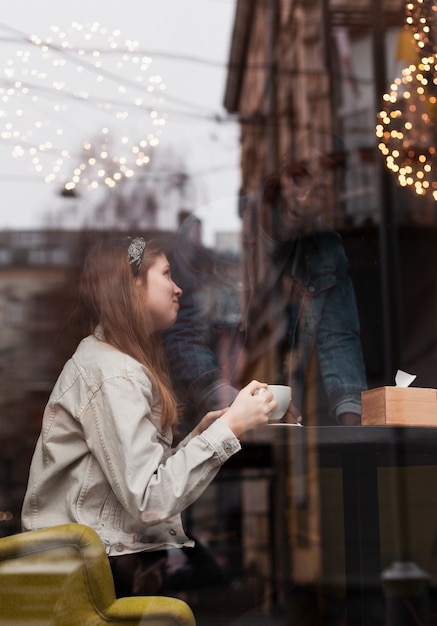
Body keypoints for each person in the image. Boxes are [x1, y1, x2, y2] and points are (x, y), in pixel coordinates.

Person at [21, 235, 278, 598]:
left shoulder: (113, 363)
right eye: (167, 274)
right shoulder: (115, 373)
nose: (179, 290)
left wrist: (200, 437)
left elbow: (132, 481)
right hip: (83, 578)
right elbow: (147, 500)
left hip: (84, 568)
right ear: (131, 284)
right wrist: (228, 429)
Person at [162, 145, 367, 428]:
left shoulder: (326, 249)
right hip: (205, 418)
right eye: (298, 180)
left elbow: (338, 337)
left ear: (331, 200)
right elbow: (182, 333)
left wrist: (354, 425)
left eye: (320, 191)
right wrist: (232, 402)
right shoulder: (210, 227)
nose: (303, 198)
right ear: (281, 172)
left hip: (283, 421)